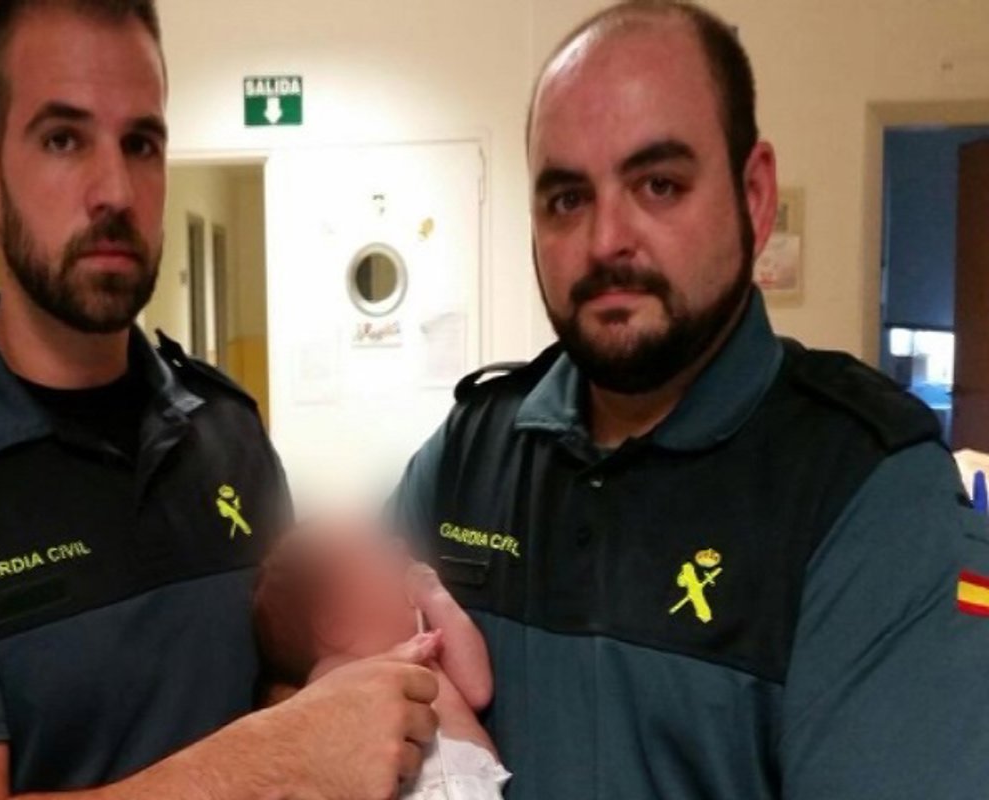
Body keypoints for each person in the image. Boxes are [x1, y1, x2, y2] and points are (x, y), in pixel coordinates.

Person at [0, 1, 440, 798]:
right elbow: (287, 748)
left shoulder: (227, 430)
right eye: (64, 139)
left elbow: (284, 689)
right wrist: (277, 756)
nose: (115, 190)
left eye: (141, 144)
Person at [394, 2, 989, 798]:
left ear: (755, 197)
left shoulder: (872, 496)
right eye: (567, 199)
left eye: (659, 185)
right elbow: (333, 651)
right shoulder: (474, 449)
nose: (606, 239)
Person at [254, 517, 510, 799]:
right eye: (375, 551)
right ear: (335, 624)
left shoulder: (430, 649)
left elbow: (478, 690)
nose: (399, 545)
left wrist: (436, 597)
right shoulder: (334, 678)